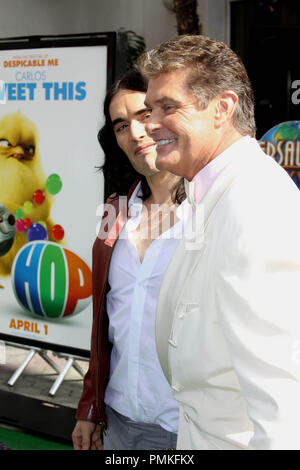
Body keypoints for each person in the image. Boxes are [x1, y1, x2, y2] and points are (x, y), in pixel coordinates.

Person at [138, 35, 300, 450]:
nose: (149, 124)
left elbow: (284, 398)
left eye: (168, 107)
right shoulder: (208, 191)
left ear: (222, 108)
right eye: (149, 108)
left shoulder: (256, 202)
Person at [72, 70, 186, 450]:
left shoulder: (208, 211)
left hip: (187, 427)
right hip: (118, 419)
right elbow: (105, 318)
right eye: (122, 125)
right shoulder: (115, 209)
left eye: (143, 115)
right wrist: (89, 407)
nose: (135, 133)